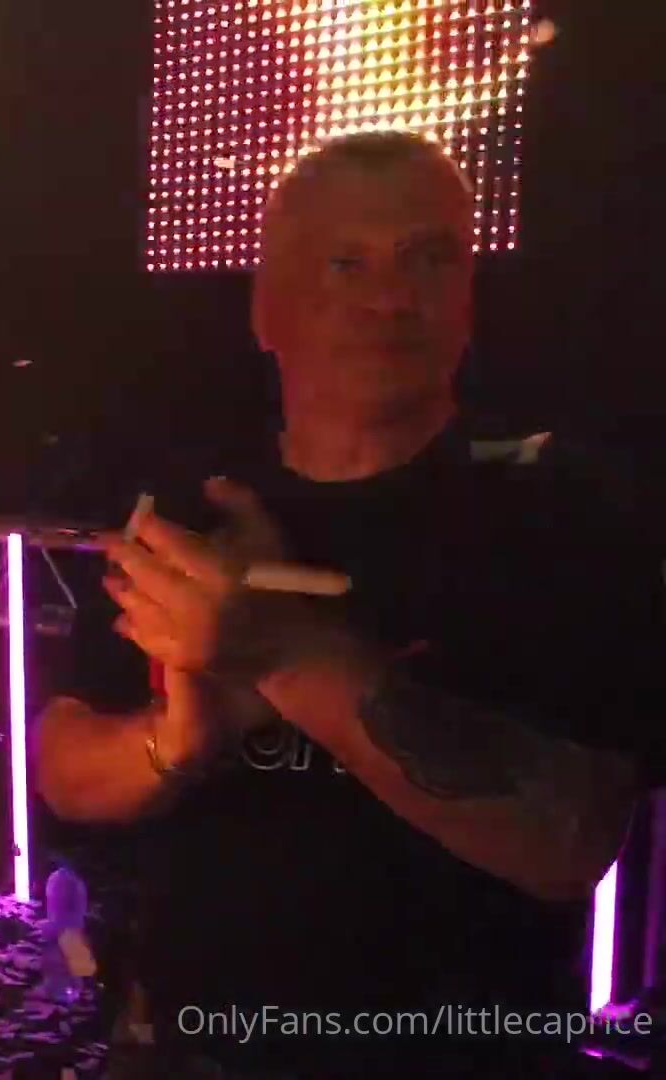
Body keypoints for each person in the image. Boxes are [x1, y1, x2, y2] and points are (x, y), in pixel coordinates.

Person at [33, 131, 662, 1078]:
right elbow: (62, 766)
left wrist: (282, 655)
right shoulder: (192, 510)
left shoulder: (559, 511)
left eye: (427, 258)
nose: (391, 297)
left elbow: (571, 836)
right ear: (268, 308)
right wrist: (180, 739)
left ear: (467, 298)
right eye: (346, 263)